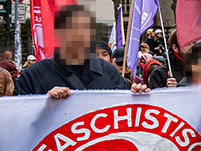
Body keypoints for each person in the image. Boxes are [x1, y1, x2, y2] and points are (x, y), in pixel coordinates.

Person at [15, 5, 143, 96]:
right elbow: (20, 117)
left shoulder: (109, 72)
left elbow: (123, 114)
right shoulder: (33, 76)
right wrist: (44, 103)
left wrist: (137, 96)